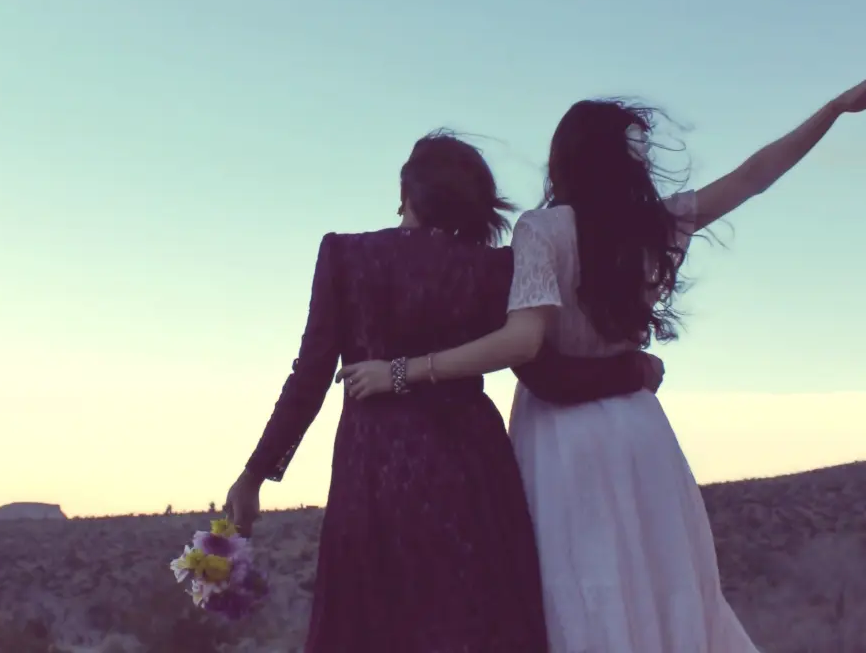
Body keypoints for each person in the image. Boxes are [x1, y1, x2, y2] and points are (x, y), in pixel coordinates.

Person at [337, 74, 866, 651]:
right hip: (640, 430)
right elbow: (753, 176)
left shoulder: (541, 230)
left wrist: (401, 371)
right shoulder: (655, 226)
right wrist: (831, 111)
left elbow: (522, 343)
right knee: (662, 586)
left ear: (563, 161)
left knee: (580, 589)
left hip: (561, 438)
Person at [225, 131, 668, 652]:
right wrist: (632, 370)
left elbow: (310, 378)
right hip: (474, 477)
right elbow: (547, 375)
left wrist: (255, 474)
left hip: (376, 477)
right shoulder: (493, 269)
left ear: (406, 194)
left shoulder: (346, 256)